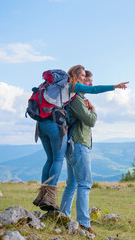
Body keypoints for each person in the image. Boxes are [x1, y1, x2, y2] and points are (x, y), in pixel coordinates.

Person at [33, 65, 128, 211]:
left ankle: (41, 195)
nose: (84, 79)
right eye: (83, 76)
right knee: (57, 160)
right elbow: (94, 89)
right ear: (76, 75)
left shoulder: (58, 86)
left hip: (41, 123)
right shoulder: (72, 86)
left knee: (49, 160)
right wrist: (115, 86)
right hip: (54, 125)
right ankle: (49, 198)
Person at [59, 70, 106, 235]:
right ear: (79, 80)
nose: (90, 84)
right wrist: (92, 109)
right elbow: (90, 121)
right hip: (79, 144)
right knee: (84, 184)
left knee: (71, 184)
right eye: (87, 80)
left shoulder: (71, 97)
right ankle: (84, 223)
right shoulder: (76, 98)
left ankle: (63, 218)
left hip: (72, 144)